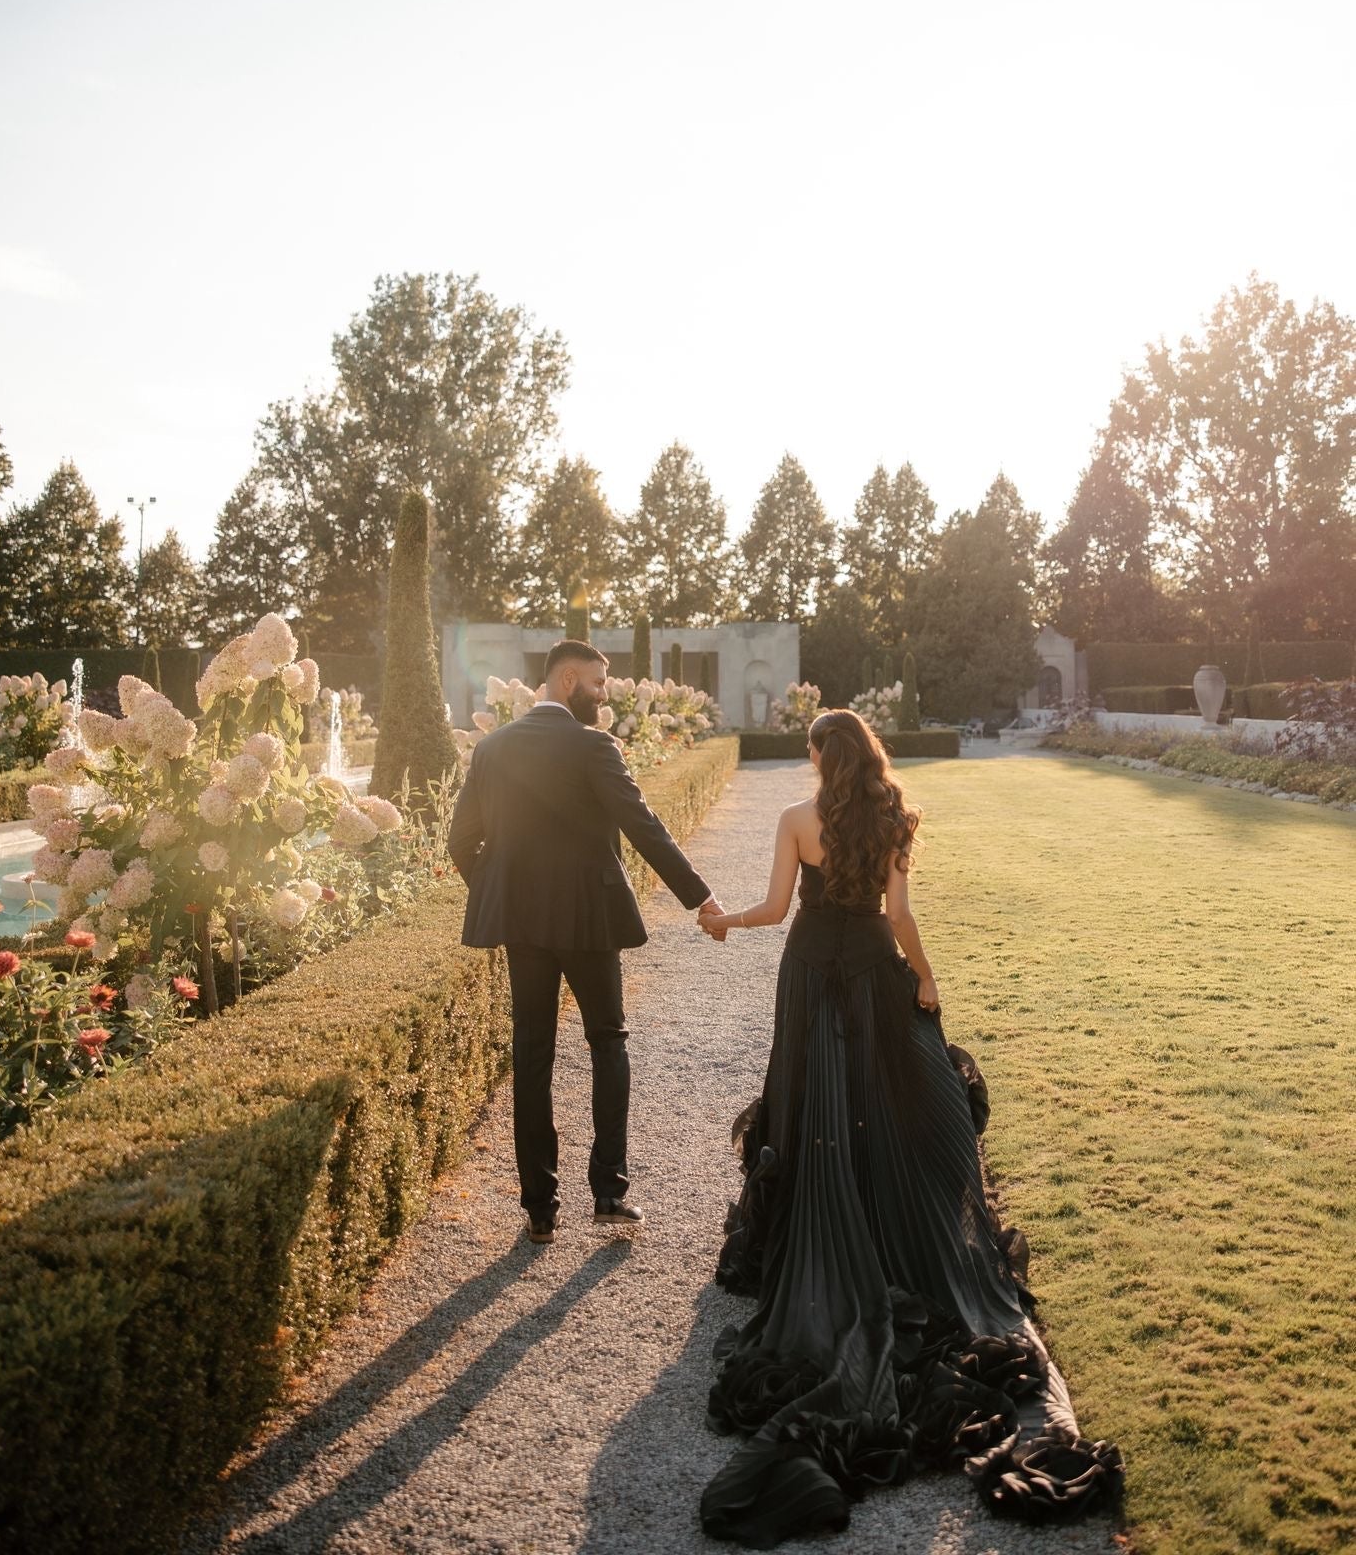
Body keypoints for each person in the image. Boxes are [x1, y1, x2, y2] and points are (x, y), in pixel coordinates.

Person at [698, 708, 1122, 1541]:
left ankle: (823, 1224)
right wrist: (926, 982)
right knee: (892, 1101)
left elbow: (779, 909)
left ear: (824, 758)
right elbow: (897, 917)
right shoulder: (892, 815)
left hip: (811, 977)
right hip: (868, 972)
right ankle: (893, 1228)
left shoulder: (794, 819)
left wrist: (725, 923)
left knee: (813, 1103)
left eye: (813, 750)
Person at [448, 639, 726, 1242]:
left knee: (532, 1055)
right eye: (599, 684)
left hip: (523, 926)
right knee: (608, 1040)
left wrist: (505, 890)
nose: (606, 695)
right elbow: (643, 826)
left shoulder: (492, 749)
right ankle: (608, 1194)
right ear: (568, 678)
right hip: (588, 920)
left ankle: (540, 1211)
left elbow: (460, 839)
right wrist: (700, 898)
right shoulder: (593, 745)